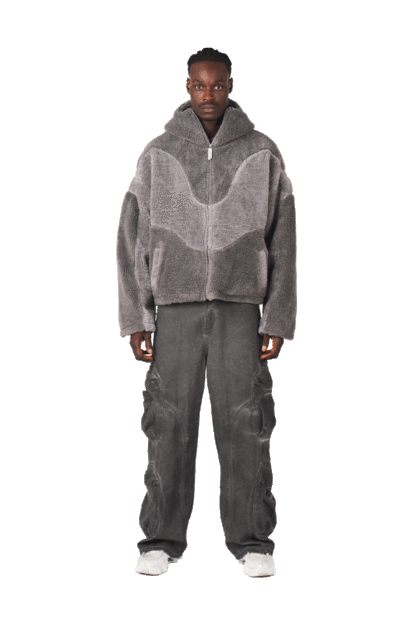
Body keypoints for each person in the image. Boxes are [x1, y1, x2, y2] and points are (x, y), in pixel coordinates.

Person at [116, 47, 297, 578]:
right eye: (199, 85)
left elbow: (284, 240)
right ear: (187, 86)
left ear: (231, 85)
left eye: (217, 85)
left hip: (241, 308)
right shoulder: (159, 153)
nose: (208, 95)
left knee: (246, 422)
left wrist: (277, 317)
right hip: (174, 308)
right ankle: (160, 540)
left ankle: (252, 542)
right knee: (167, 421)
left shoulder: (262, 152)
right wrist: (136, 317)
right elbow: (131, 238)